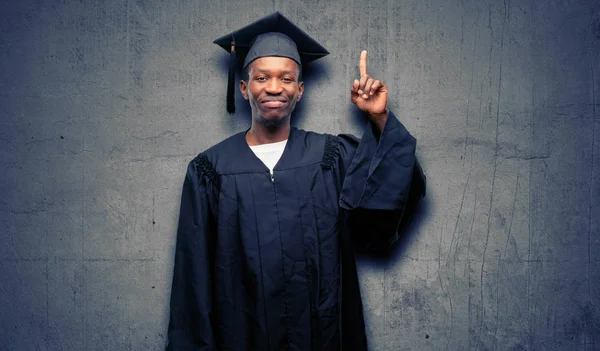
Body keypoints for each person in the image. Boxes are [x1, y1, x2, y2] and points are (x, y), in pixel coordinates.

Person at [167, 12, 426, 351]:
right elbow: (192, 277)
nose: (274, 87)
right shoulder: (210, 171)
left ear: (300, 90)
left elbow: (394, 190)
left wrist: (378, 117)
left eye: (286, 79)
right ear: (244, 88)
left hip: (322, 334)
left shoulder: (330, 157)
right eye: (262, 78)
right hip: (241, 336)